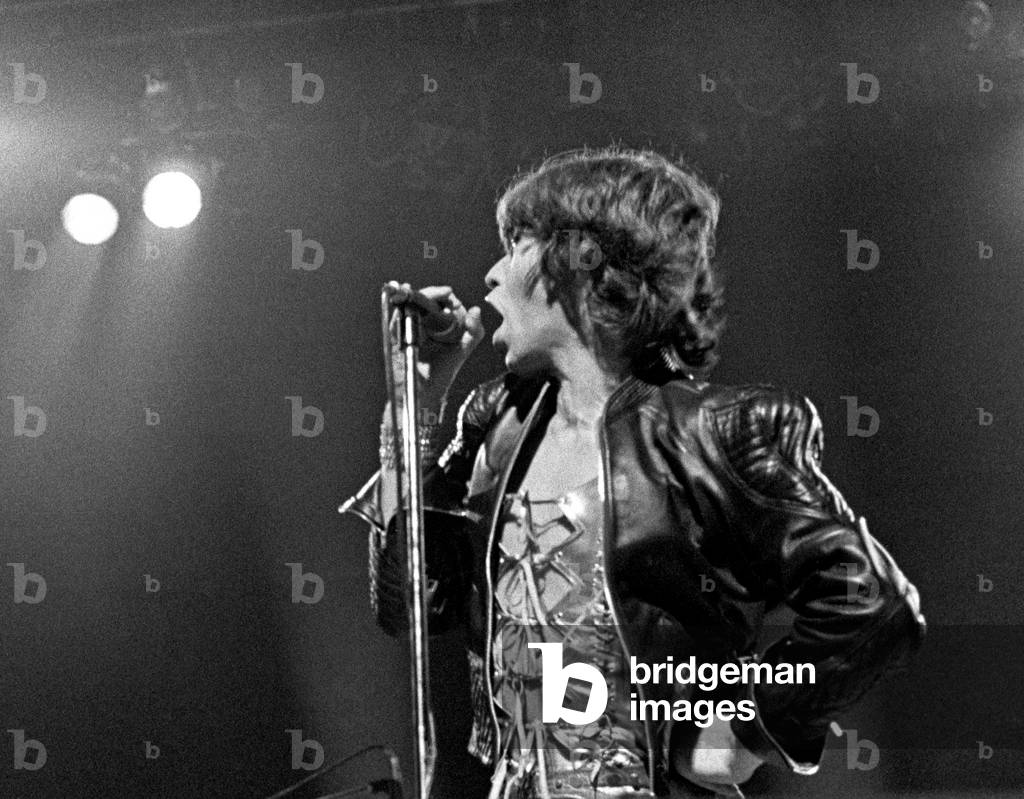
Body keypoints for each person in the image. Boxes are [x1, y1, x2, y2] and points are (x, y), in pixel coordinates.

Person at [340, 147, 925, 799]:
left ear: (581, 258)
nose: (493, 273)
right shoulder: (497, 426)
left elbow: (871, 603)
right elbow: (408, 606)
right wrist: (413, 411)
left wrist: (740, 736)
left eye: (518, 245)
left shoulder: (708, 431)